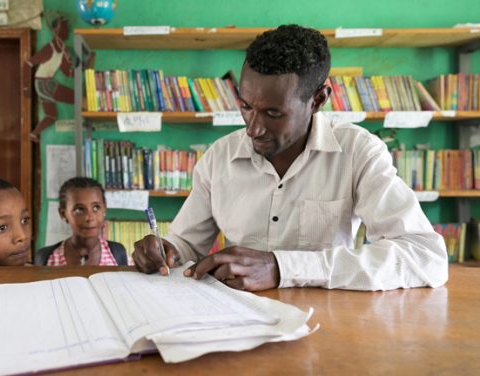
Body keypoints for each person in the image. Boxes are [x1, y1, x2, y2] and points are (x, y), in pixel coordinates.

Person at [132, 24, 448, 291]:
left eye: (273, 113)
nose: (253, 128)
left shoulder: (358, 152)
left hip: (327, 325)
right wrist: (165, 251)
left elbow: (425, 257)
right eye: (245, 106)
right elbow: (185, 246)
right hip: (235, 320)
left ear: (318, 100)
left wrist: (283, 268)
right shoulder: (219, 158)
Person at [35, 177, 127, 266]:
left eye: (96, 207)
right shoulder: (48, 259)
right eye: (79, 209)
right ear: (63, 214)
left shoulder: (117, 255)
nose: (90, 218)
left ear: (104, 209)